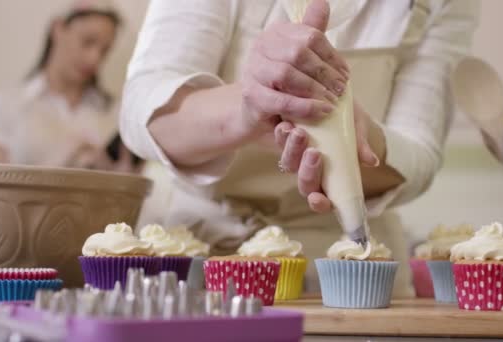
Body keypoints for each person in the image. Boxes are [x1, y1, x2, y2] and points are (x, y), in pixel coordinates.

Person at [120, 0, 479, 296]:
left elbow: (420, 155)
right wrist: (250, 107)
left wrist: (350, 140)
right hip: (201, 258)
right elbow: (141, 111)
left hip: (353, 273)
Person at [0, 0, 140, 173]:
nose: (94, 58)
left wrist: (124, 180)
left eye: (104, 50)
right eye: (87, 42)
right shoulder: (2, 106)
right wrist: (68, 156)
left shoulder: (117, 115)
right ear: (58, 29)